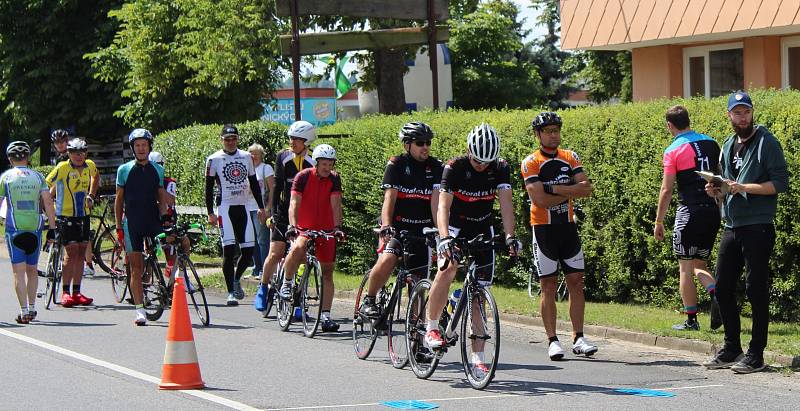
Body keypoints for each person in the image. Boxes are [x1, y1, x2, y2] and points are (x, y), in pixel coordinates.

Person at [702, 91, 788, 374]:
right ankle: (731, 347)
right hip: (732, 224)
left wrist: (743, 187)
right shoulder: (727, 144)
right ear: (729, 115)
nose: (742, 117)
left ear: (752, 113)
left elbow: (779, 184)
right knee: (723, 288)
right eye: (737, 113)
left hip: (758, 225)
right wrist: (716, 189)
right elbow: (725, 183)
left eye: (746, 112)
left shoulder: (766, 142)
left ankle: (756, 353)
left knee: (755, 288)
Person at [424, 123, 520, 373]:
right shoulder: (454, 167)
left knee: (479, 294)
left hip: (481, 227)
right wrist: (444, 237)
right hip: (454, 227)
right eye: (477, 161)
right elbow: (442, 207)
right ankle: (432, 327)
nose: (482, 166)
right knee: (447, 268)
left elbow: (507, 206)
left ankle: (478, 356)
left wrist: (510, 236)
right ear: (468, 151)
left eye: (486, 162)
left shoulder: (500, 168)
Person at [521, 112, 597, 361]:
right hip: (543, 230)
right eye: (548, 131)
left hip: (567, 227)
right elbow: (539, 200)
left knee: (576, 282)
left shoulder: (570, 157)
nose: (554, 135)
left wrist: (552, 187)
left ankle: (578, 337)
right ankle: (553, 340)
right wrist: (570, 191)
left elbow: (586, 189)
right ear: (538, 134)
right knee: (549, 286)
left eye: (556, 130)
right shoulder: (530, 162)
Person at [360, 122, 443, 318]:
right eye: (420, 143)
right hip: (397, 226)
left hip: (422, 231)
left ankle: (415, 337)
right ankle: (369, 299)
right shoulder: (396, 164)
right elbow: (390, 198)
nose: (425, 147)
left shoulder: (437, 167)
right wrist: (386, 226)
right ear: (407, 145)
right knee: (388, 258)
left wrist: (440, 231)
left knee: (418, 285)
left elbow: (436, 203)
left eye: (428, 142)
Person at [654, 106, 721, 331]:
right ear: (689, 121)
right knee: (699, 263)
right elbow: (719, 177)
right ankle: (716, 293)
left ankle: (691, 320)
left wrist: (659, 221)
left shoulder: (672, 150)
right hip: (712, 211)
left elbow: (667, 189)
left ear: (669, 126)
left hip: (689, 212)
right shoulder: (711, 143)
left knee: (685, 267)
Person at [278, 144, 344, 332]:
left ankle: (325, 316)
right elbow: (294, 203)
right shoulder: (303, 176)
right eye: (324, 164)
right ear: (316, 163)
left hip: (326, 228)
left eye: (330, 164)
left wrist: (337, 228)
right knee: (298, 247)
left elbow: (336, 204)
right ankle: (287, 282)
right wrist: (292, 226)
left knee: (328, 273)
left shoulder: (334, 179)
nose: (327, 167)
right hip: (304, 227)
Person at [254, 120, 315, 313]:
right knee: (275, 253)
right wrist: (270, 212)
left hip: (305, 215)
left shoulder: (314, 160)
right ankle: (263, 287)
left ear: (307, 141)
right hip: (283, 212)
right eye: (291, 138)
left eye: (297, 139)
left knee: (302, 257)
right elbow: (277, 187)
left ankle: (298, 298)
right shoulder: (283, 157)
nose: (292, 142)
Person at [205, 124, 266, 306]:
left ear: (238, 139)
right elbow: (208, 188)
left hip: (245, 207)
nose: (231, 142)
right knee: (229, 250)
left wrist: (261, 207)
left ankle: (236, 279)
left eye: (234, 139)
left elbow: (254, 183)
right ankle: (230, 292)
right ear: (221, 140)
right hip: (225, 208)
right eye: (227, 139)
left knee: (248, 252)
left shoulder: (247, 157)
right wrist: (210, 212)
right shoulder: (214, 159)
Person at [115, 128, 168, 326]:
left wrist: (166, 218)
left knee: (176, 244)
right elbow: (119, 201)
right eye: (137, 145)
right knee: (136, 268)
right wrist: (119, 226)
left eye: (144, 145)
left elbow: (161, 197)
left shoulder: (158, 170)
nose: (141, 148)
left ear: (149, 146)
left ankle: (169, 281)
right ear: (133, 148)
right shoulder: (124, 170)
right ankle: (140, 311)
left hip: (153, 220)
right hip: (133, 223)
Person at [1, 141, 57, 323]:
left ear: (10, 159)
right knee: (32, 271)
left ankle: (24, 310)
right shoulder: (38, 177)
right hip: (35, 229)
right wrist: (53, 228)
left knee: (18, 272)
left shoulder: (6, 177)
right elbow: (48, 202)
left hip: (14, 229)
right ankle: (32, 308)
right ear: (28, 158)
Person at [45, 138, 99, 308]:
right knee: (71, 252)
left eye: (81, 152)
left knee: (82, 251)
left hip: (84, 215)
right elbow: (45, 184)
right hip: (65, 216)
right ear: (68, 153)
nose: (78, 155)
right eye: (75, 152)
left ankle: (77, 291)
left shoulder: (90, 164)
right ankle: (65, 292)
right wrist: (46, 205)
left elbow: (96, 177)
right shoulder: (62, 168)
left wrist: (91, 195)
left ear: (86, 153)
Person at [149, 152, 189, 280]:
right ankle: (146, 280)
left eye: (160, 166)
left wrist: (159, 185)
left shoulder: (169, 182)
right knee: (150, 253)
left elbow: (171, 201)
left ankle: (181, 276)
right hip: (151, 221)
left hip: (167, 221)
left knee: (182, 243)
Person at [247, 143, 275, 280]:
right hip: (247, 208)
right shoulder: (246, 169)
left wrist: (268, 208)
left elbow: (272, 189)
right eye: (251, 153)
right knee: (251, 240)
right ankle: (256, 268)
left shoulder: (266, 168)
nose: (254, 155)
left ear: (261, 154)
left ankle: (265, 269)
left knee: (262, 240)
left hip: (261, 208)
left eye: (256, 153)